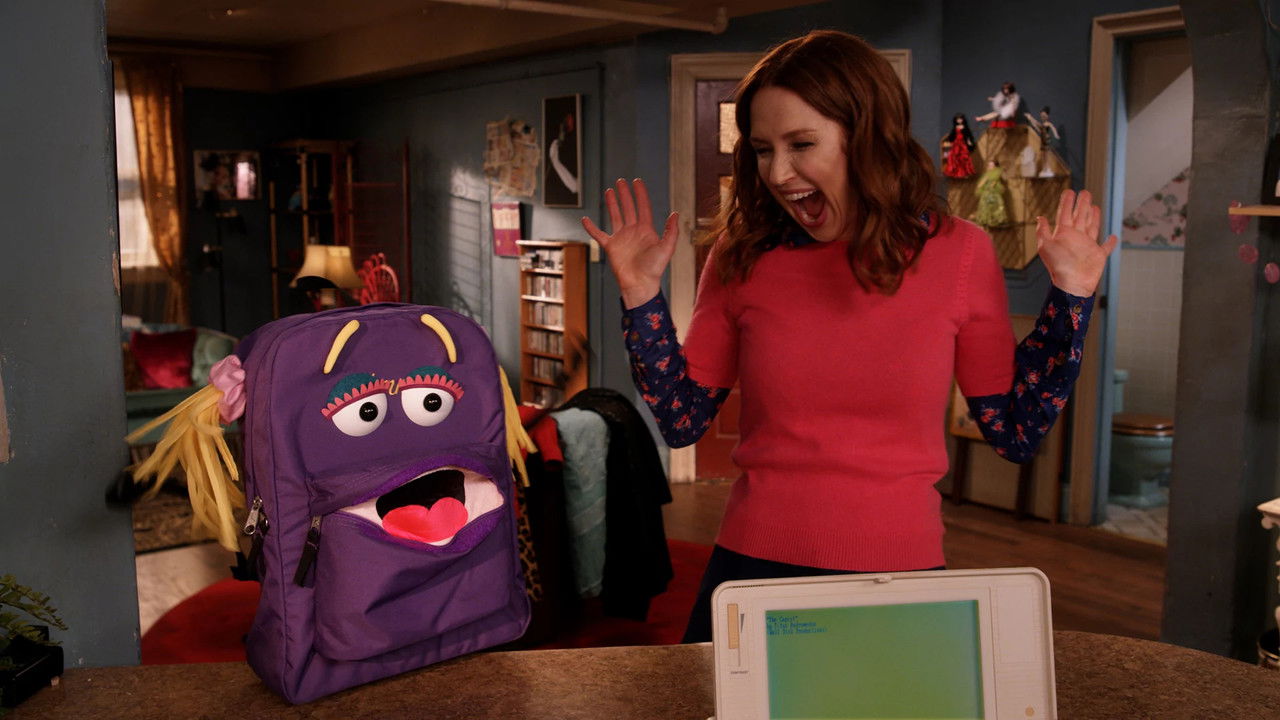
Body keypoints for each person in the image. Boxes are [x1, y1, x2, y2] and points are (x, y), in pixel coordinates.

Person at [580, 30, 1116, 643]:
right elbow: (681, 420)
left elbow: (1015, 431)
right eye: (761, 149)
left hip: (896, 572)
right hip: (751, 565)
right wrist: (640, 295)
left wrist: (1071, 297)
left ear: (867, 137)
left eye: (801, 144)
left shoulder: (960, 253)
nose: (778, 173)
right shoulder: (742, 253)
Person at [941, 112, 977, 179]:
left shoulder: (965, 127)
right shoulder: (955, 127)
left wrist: (969, 141)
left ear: (963, 119)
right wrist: (950, 139)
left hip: (963, 143)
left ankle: (965, 173)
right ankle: (956, 174)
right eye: (958, 119)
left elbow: (968, 135)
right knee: (954, 158)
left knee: (964, 158)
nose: (959, 120)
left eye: (960, 119)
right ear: (956, 120)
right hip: (956, 144)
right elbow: (952, 136)